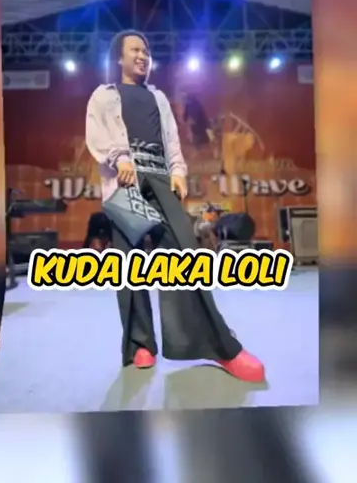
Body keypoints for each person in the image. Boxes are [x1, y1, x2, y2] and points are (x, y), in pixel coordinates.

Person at [85, 29, 265, 382]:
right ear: (119, 57)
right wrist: (120, 158)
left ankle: (220, 346)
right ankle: (141, 344)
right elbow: (97, 135)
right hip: (124, 181)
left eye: (146, 50)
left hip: (160, 178)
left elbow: (172, 140)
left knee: (185, 253)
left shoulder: (158, 97)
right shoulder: (103, 95)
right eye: (135, 50)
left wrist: (179, 172)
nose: (143, 55)